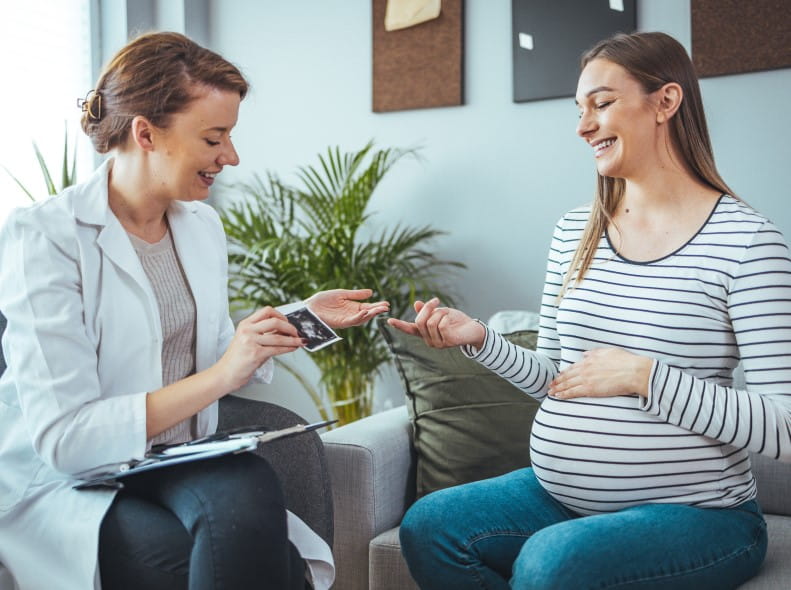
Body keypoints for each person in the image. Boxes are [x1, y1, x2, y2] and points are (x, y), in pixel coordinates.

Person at [390, 31, 791, 589]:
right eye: (580, 110)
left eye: (601, 104)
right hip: (558, 497)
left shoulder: (747, 242)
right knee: (431, 525)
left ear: (666, 102)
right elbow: (559, 378)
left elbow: (785, 426)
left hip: (704, 517)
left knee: (552, 563)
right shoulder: (576, 231)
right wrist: (478, 339)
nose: (583, 126)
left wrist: (644, 376)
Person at [0, 32, 389, 590]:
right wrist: (223, 374)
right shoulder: (45, 237)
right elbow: (67, 438)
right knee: (252, 566)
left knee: (250, 486)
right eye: (214, 137)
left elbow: (205, 350)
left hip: (173, 457)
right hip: (73, 478)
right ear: (145, 133)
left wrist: (303, 319)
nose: (230, 157)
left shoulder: (199, 226)